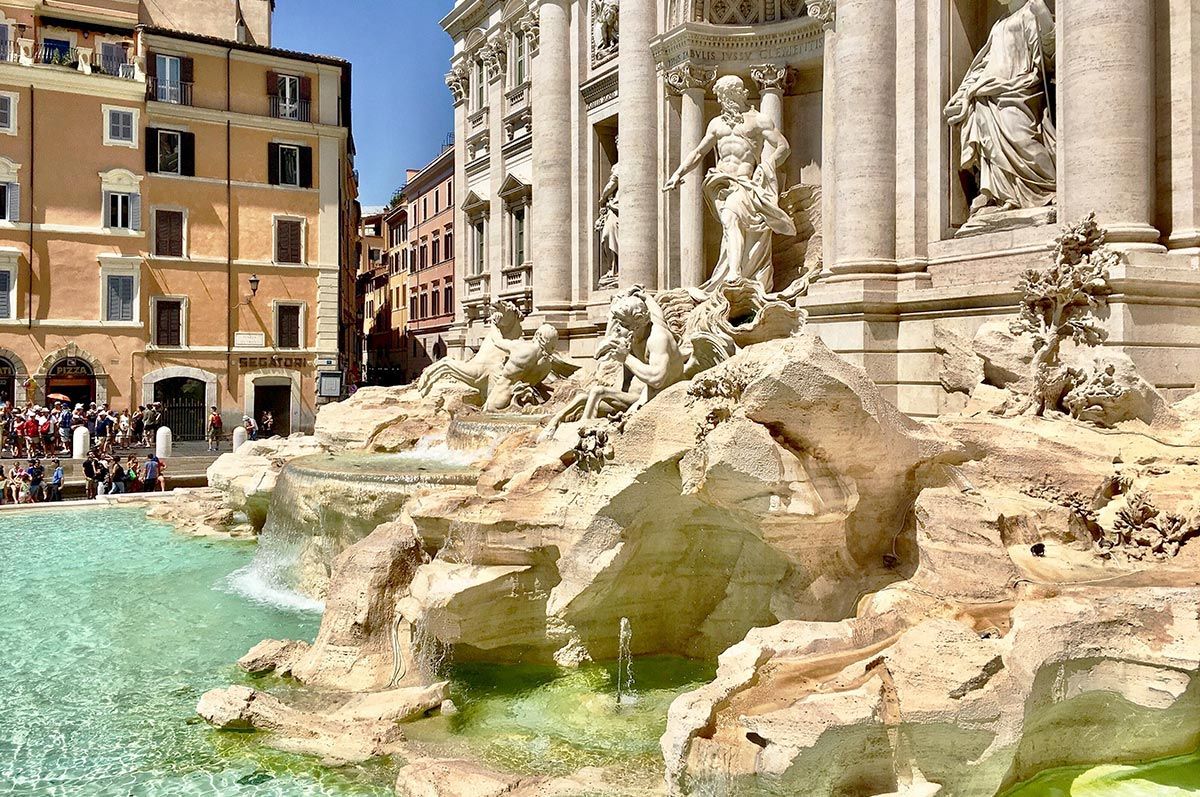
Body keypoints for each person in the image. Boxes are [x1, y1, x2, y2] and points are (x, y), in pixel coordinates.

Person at [663, 74, 796, 293]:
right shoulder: (716, 124)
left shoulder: (758, 120)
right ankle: (734, 271)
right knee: (729, 227)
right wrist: (678, 173)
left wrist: (766, 166)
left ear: (738, 94)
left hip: (744, 182)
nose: (722, 101)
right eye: (720, 97)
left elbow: (783, 146)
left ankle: (734, 273)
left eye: (726, 96)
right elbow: (698, 152)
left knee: (730, 218)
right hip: (720, 184)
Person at [944, 0, 1056, 218]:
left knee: (1023, 138)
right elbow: (983, 65)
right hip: (989, 94)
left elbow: (1048, 53)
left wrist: (1042, 14)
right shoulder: (998, 24)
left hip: (1020, 90)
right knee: (989, 142)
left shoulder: (1030, 12)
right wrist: (963, 93)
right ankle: (1001, 194)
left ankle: (1046, 186)